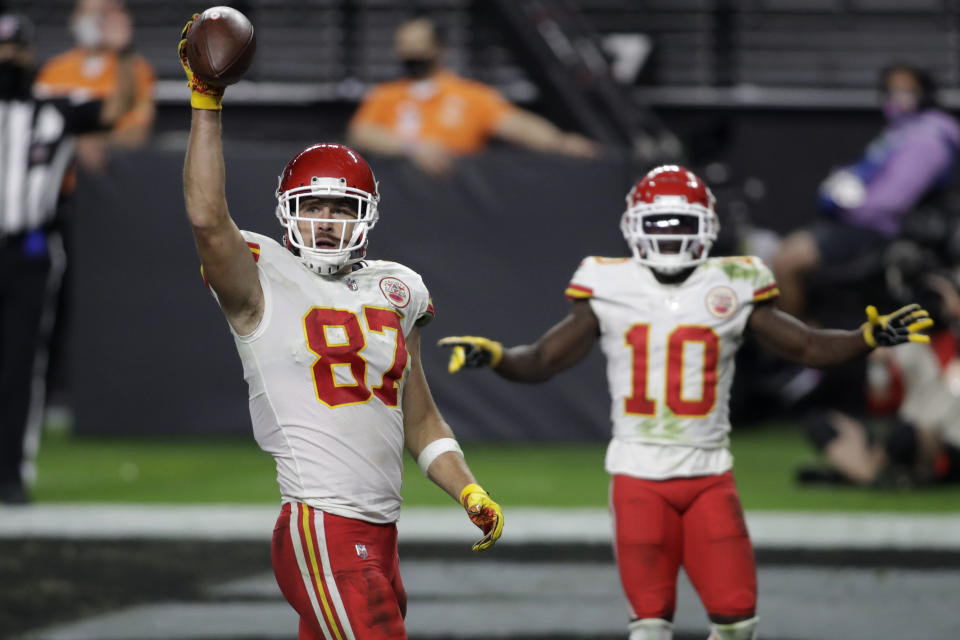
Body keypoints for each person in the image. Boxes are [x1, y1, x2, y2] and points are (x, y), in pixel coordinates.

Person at [438, 165, 932, 640]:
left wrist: (866, 336)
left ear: (706, 229)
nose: (670, 237)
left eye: (683, 225)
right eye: (659, 224)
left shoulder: (734, 281)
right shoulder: (609, 283)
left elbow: (803, 345)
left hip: (708, 476)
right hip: (638, 477)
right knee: (650, 626)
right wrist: (499, 356)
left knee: (738, 621)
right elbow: (545, 358)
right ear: (635, 226)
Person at [178, 15, 503, 639]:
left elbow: (421, 417)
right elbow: (206, 218)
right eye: (313, 207)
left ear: (367, 215)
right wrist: (206, 103)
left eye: (340, 208)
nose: (325, 221)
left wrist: (468, 491)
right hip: (322, 524)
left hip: (380, 531)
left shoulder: (397, 287)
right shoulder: (259, 275)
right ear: (287, 212)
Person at [0, 12, 136, 504]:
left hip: (29, 246)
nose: (6, 59)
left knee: (19, 364)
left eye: (13, 51)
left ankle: (11, 472)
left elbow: (118, 106)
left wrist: (119, 53)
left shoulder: (54, 108)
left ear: (28, 55)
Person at [772, 64, 960, 320]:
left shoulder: (929, 137)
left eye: (906, 89)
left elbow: (892, 202)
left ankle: (802, 348)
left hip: (879, 231)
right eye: (892, 90)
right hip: (859, 222)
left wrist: (845, 204)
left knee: (785, 263)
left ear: (924, 92)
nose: (897, 96)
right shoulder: (900, 131)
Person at [347, 16, 597, 175]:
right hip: (400, 199)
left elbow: (515, 124)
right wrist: (413, 148)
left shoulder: (470, 95)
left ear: (438, 48)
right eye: (404, 45)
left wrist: (559, 142)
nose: (409, 52)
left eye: (417, 44)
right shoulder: (384, 95)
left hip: (459, 197)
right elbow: (362, 133)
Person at [35, 0, 155, 172]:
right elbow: (39, 128)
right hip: (57, 179)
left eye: (100, 13)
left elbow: (137, 132)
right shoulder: (53, 70)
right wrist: (75, 144)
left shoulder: (135, 69)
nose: (91, 21)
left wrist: (98, 142)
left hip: (109, 178)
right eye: (86, 13)